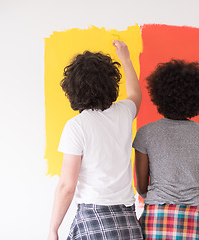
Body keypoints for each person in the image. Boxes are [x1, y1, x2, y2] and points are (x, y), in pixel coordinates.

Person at [47, 40, 143, 240]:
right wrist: (125, 59)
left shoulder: (77, 126)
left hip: (93, 219)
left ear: (72, 89)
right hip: (127, 221)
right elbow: (135, 94)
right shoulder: (124, 113)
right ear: (111, 83)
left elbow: (67, 186)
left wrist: (53, 229)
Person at [133, 59, 199, 239]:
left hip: (155, 218)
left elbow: (142, 187)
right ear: (198, 98)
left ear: (159, 95)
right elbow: (196, 179)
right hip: (194, 218)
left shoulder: (146, 133)